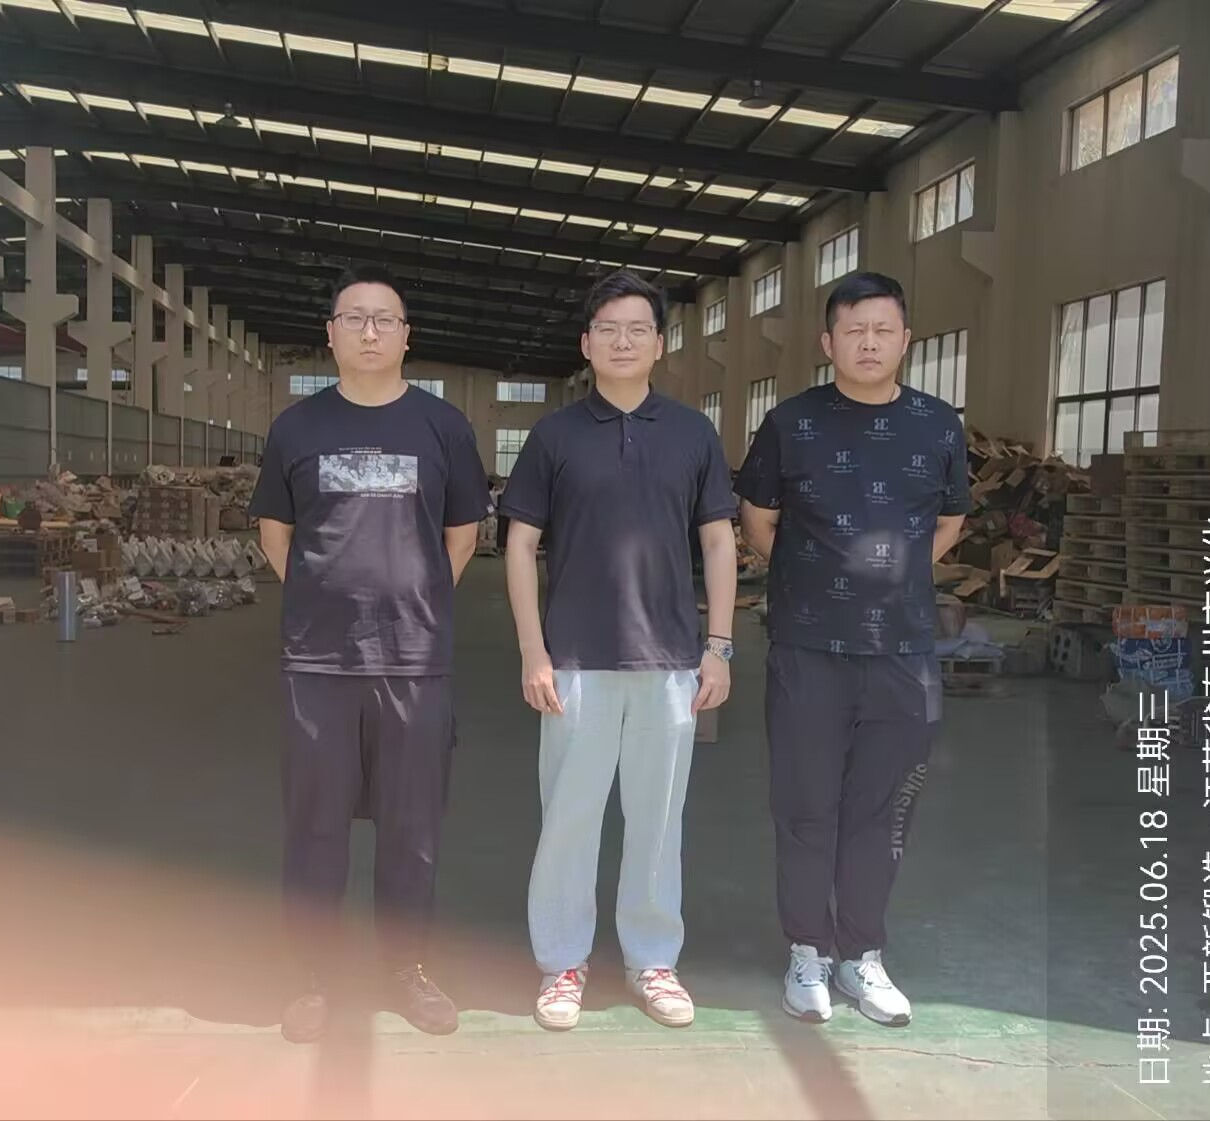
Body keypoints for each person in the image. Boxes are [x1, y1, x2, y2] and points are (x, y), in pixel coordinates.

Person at [247, 264, 491, 1044]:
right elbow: (276, 533)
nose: (370, 331)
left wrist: (411, 600)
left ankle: (405, 968)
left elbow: (462, 535)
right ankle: (309, 974)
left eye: (385, 319)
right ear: (331, 334)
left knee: (411, 828)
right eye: (354, 318)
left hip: (415, 660)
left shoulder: (443, 426)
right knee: (315, 825)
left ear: (406, 335)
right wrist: (325, 599)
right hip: (318, 663)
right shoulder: (297, 427)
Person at [499, 270, 739, 1032]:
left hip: (669, 662)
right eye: (608, 328)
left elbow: (718, 540)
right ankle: (562, 961)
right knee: (568, 819)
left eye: (638, 329)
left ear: (659, 344)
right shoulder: (555, 436)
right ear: (586, 343)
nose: (623, 341)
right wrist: (533, 650)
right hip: (575, 661)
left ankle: (652, 959)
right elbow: (521, 542)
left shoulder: (693, 434)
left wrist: (719, 646)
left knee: (658, 820)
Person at [734, 272, 968, 1028]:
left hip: (903, 652)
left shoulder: (937, 424)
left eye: (883, 330)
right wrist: (814, 579)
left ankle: (861, 953)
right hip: (809, 648)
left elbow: (950, 520)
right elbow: (758, 518)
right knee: (805, 806)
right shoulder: (792, 422)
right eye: (854, 330)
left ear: (906, 340)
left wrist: (893, 576)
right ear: (827, 341)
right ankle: (807, 949)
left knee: (883, 810)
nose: (869, 343)